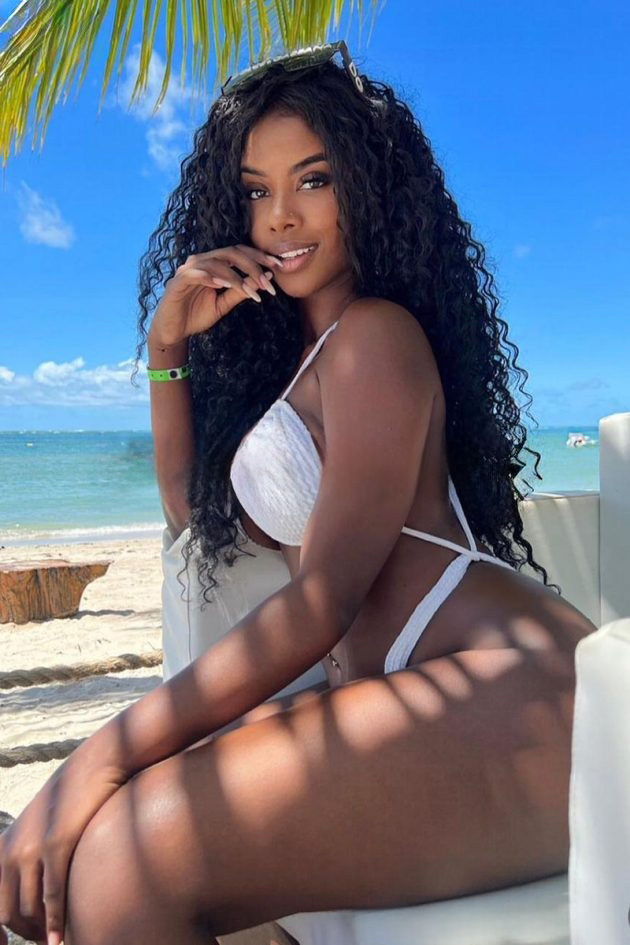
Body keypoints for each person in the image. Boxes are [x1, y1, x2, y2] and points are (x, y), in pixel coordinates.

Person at [0, 42, 596, 945]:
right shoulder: (302, 366)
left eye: (313, 179)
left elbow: (323, 601)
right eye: (256, 190)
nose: (280, 215)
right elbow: (190, 515)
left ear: (368, 188)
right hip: (422, 689)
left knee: (128, 859)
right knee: (105, 855)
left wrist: (99, 754)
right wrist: (167, 350)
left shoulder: (377, 338)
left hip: (525, 692)